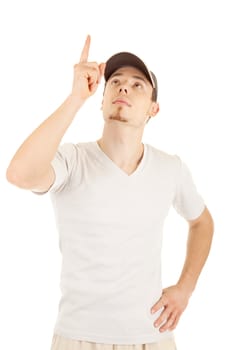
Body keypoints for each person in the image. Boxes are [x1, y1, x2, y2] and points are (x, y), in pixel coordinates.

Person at [6, 35, 214, 350]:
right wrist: (75, 98)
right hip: (78, 338)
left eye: (138, 85)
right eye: (115, 81)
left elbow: (202, 222)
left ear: (153, 109)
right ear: (102, 101)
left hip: (152, 337)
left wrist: (185, 288)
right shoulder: (72, 160)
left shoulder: (170, 168)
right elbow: (19, 174)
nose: (124, 87)